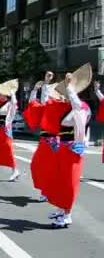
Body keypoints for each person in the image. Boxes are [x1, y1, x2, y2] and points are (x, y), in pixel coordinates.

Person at [46, 69, 91, 228]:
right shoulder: (65, 107)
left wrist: (69, 86)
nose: (64, 96)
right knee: (61, 181)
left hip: (74, 150)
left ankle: (67, 215)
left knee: (70, 183)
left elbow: (77, 105)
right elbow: (47, 102)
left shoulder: (82, 107)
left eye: (68, 93)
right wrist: (46, 84)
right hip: (62, 150)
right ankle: (61, 209)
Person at [23, 72, 57, 202]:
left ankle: (49, 191)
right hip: (45, 141)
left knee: (52, 168)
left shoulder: (61, 107)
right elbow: (34, 102)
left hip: (56, 142)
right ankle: (46, 190)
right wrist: (38, 88)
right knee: (37, 165)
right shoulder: (47, 107)